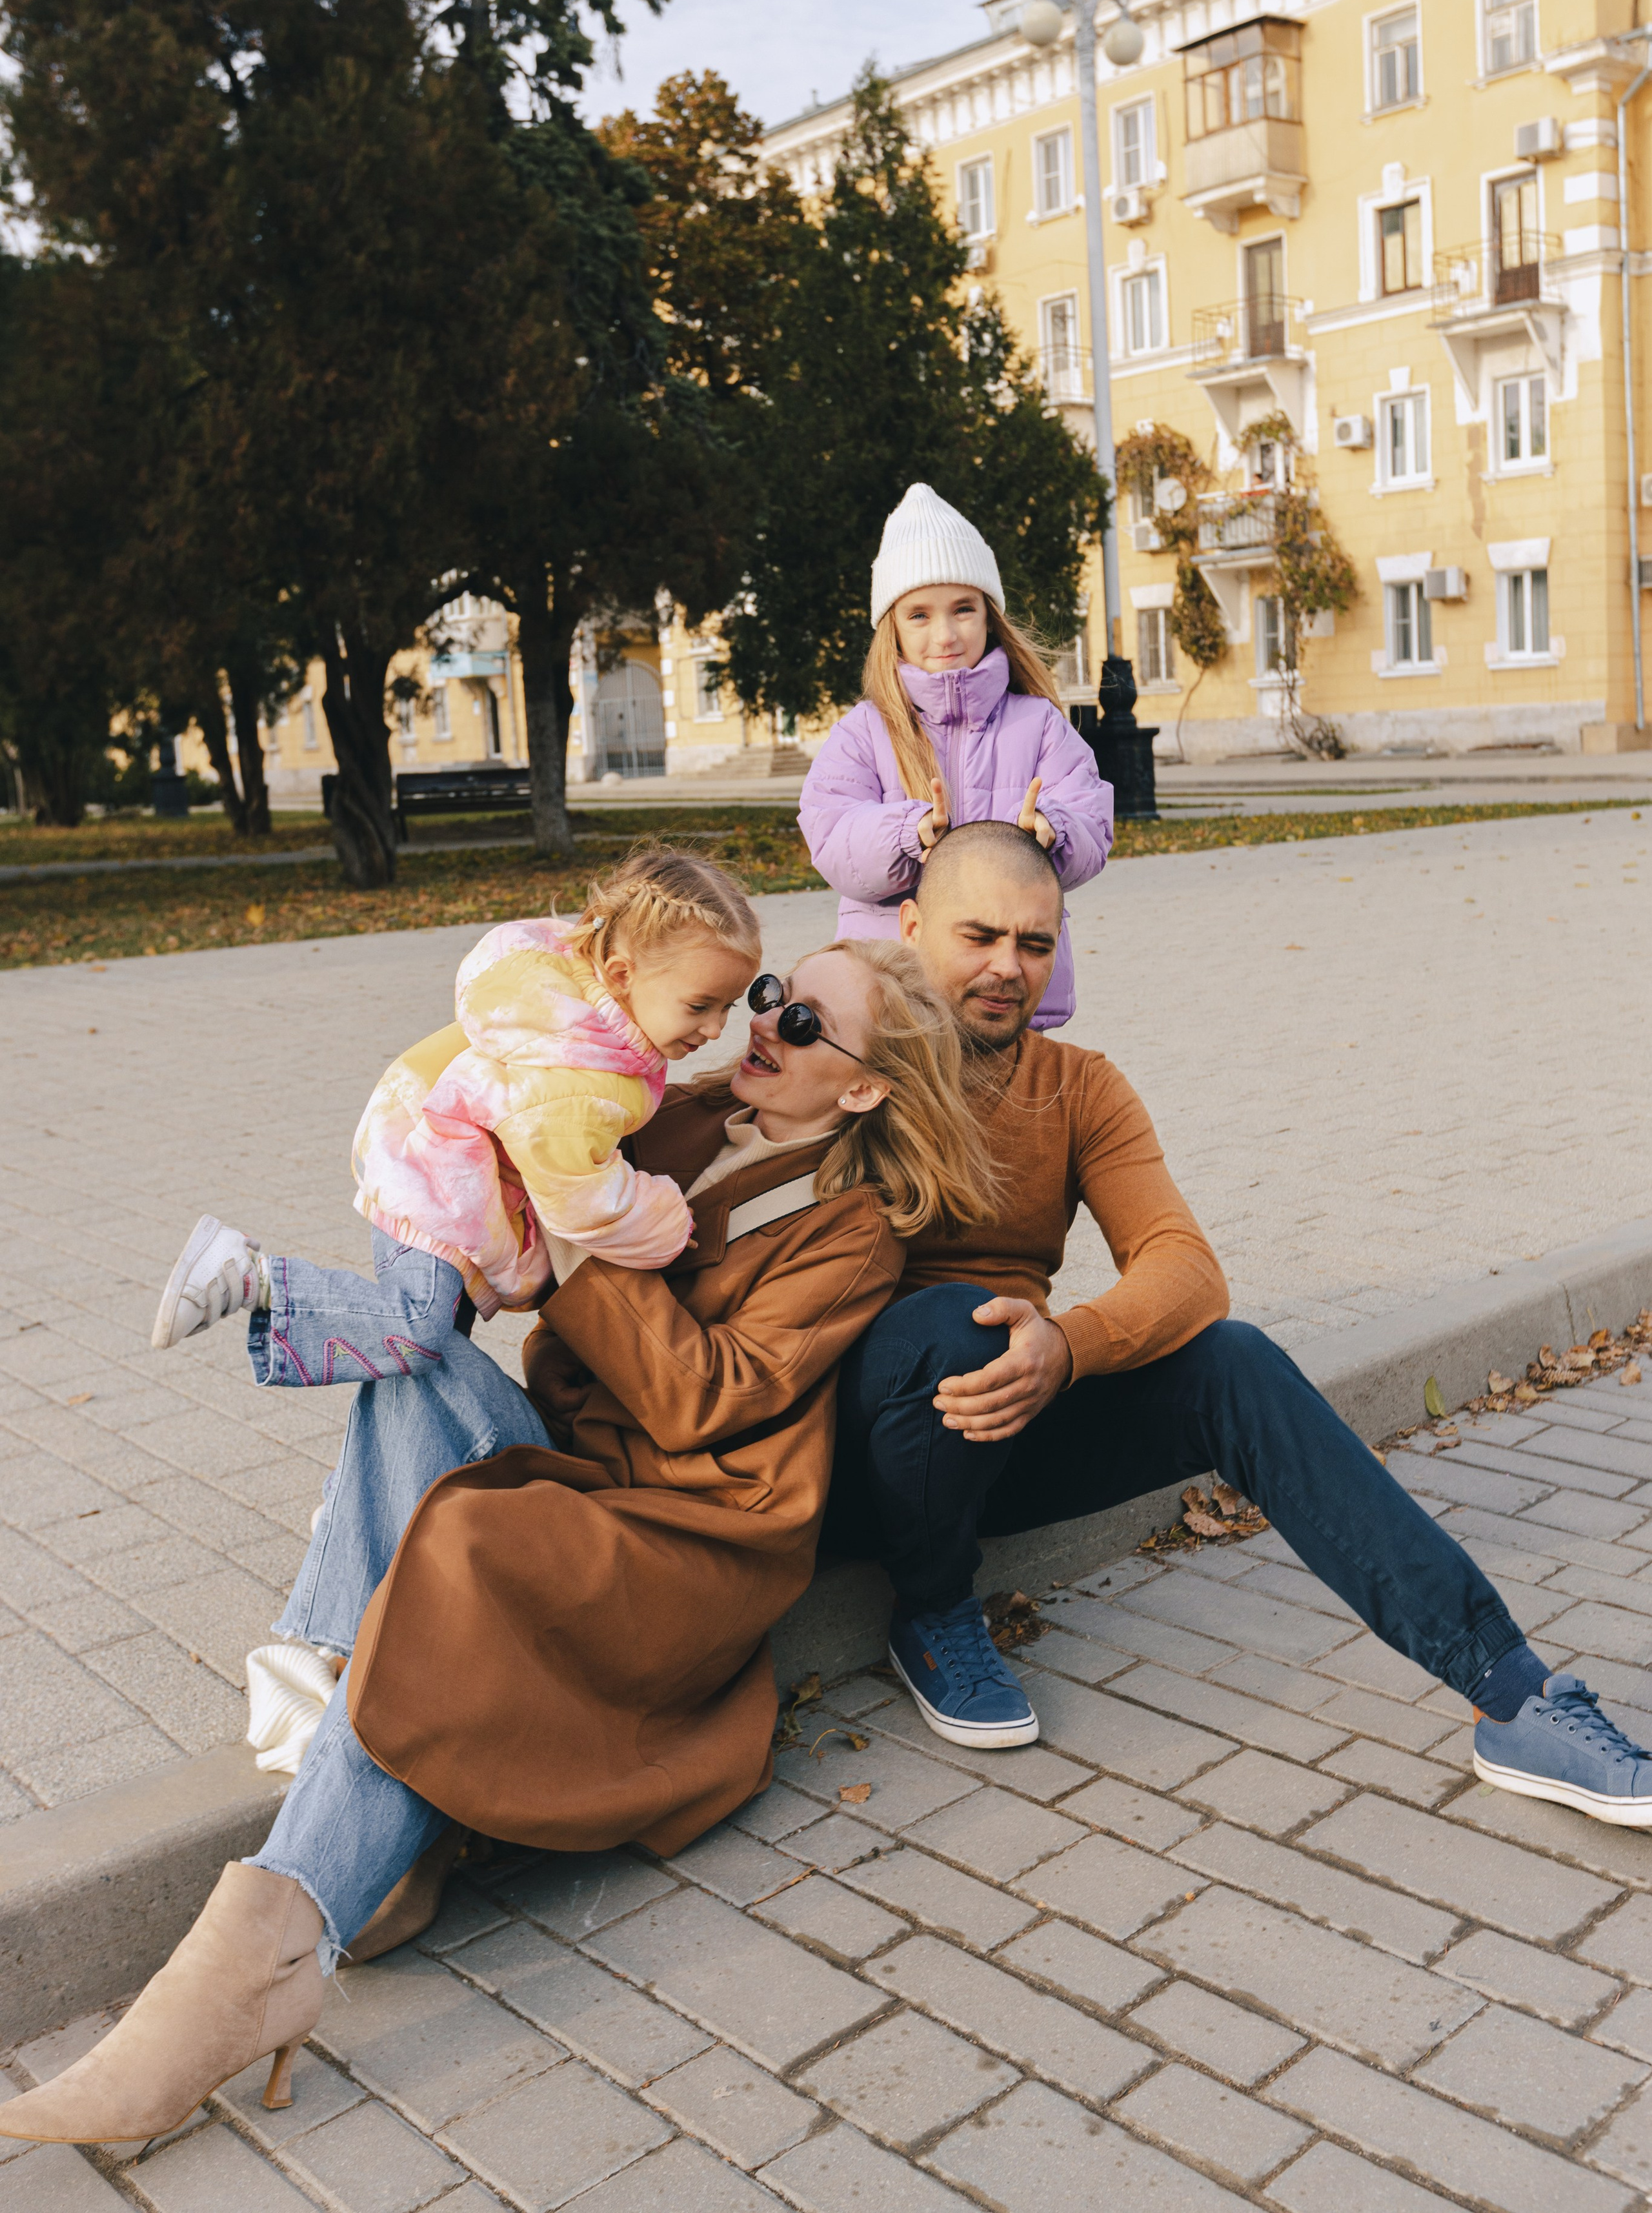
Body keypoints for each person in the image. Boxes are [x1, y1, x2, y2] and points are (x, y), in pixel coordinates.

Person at [0, 938, 996, 2148]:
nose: (764, 1021)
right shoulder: (680, 1115)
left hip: (687, 1536)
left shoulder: (856, 1233)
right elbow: (504, 1173)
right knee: (411, 1365)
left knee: (468, 1541)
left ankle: (252, 1964)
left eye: (802, 1023)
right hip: (579, 1465)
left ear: (866, 1087)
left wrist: (577, 1227)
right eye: (771, 994)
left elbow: (702, 1399)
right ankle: (359, 1809)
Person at [826, 817, 1652, 1830]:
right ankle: (934, 1608)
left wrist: (1069, 1345)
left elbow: (1186, 1269)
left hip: (1002, 1429)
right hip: (849, 1459)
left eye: (1035, 943)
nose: (1008, 967)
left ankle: (1510, 1693)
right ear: (911, 927)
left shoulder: (1080, 1087)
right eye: (980, 936)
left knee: (1235, 1359)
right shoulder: (840, 1050)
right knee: (959, 1321)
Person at [148, 845, 761, 1368]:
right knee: (418, 1331)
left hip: (445, 1165)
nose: (716, 1028)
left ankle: (364, 1480)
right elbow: (582, 1202)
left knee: (426, 1350)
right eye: (699, 1005)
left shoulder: (589, 1013)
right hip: (432, 1173)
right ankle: (249, 1277)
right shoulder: (575, 1071)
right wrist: (664, 1220)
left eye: (728, 1007)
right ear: (623, 975)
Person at [799, 480, 1113, 1029]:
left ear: (990, 615)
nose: (945, 635)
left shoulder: (1039, 724)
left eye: (963, 609)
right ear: (892, 627)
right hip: (897, 995)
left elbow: (1093, 825)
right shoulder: (864, 731)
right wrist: (906, 833)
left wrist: (1054, 832)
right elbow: (831, 837)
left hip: (1006, 994)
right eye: (919, 614)